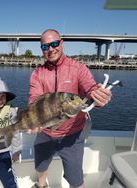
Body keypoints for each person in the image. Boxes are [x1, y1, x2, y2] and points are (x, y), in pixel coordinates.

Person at [28, 29, 112, 188]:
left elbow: (90, 87)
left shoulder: (78, 69)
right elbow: (34, 99)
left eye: (54, 44)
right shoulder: (37, 73)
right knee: (40, 165)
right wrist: (33, 120)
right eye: (45, 46)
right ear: (42, 50)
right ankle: (41, 185)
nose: (50, 49)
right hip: (45, 132)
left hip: (72, 135)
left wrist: (98, 96)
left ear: (62, 43)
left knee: (76, 179)